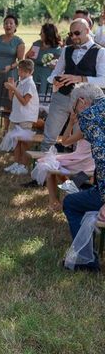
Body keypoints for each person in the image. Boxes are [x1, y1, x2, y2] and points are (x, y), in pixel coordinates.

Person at [41, 18, 105, 152]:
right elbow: (55, 73)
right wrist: (55, 79)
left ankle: (74, 172)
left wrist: (79, 78)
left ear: (88, 31)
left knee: (80, 143)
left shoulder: (100, 52)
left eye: (77, 33)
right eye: (71, 34)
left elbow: (103, 80)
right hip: (62, 97)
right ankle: (42, 170)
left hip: (85, 103)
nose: (73, 37)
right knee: (49, 138)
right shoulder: (66, 50)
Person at [61, 83, 105, 272]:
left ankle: (86, 260)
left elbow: (103, 157)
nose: (77, 114)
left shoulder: (89, 117)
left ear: (82, 102)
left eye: (75, 109)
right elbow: (66, 141)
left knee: (71, 202)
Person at [30, 114, 94, 211]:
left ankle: (54, 203)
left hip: (82, 162)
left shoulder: (87, 127)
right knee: (54, 167)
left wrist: (71, 123)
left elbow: (65, 142)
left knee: (50, 164)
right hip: (91, 164)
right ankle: (62, 198)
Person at [2, 59, 39, 175]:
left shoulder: (30, 84)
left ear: (29, 72)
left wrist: (14, 89)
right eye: (19, 70)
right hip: (17, 116)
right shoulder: (21, 82)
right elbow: (12, 98)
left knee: (24, 142)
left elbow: (24, 102)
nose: (19, 73)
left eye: (21, 71)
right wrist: (11, 88)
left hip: (26, 117)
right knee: (16, 141)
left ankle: (24, 165)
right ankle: (17, 162)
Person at [25, 23, 62, 96]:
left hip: (46, 77)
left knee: (43, 98)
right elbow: (27, 58)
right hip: (34, 74)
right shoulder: (37, 44)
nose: (40, 34)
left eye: (42, 32)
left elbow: (57, 66)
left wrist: (52, 64)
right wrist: (28, 56)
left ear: (49, 34)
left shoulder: (56, 49)